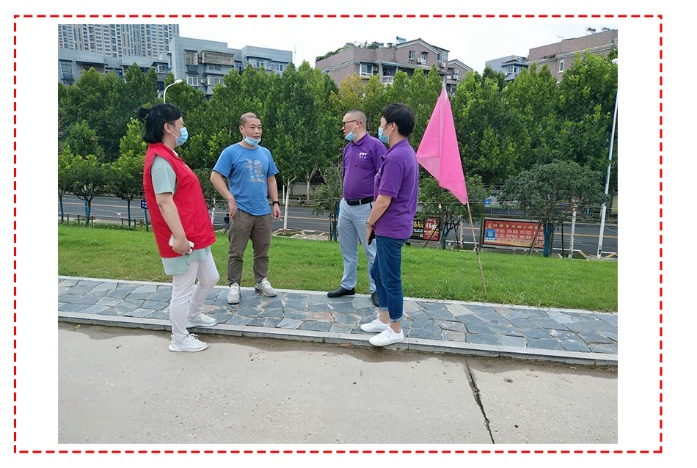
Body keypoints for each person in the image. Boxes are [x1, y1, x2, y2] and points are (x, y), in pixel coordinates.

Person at [140, 103, 219, 353]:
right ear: (168, 127)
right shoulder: (160, 161)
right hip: (183, 236)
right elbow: (164, 202)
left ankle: (193, 315)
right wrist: (180, 237)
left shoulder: (170, 155)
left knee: (210, 277)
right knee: (182, 289)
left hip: (194, 232)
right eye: (181, 125)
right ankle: (179, 338)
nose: (184, 129)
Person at [360, 103, 419, 347]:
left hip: (391, 226)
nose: (380, 127)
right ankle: (384, 319)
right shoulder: (401, 152)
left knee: (390, 278)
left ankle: (395, 328)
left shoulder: (396, 157)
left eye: (382, 123)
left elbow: (384, 200)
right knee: (377, 272)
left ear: (392, 126)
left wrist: (369, 223)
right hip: (391, 225)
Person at [210, 112, 282, 305]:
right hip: (241, 211)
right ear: (242, 129)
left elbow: (271, 178)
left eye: (259, 127)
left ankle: (261, 280)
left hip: (263, 211)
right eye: (252, 127)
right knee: (236, 252)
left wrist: (275, 202)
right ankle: (234, 285)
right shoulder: (231, 152)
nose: (257, 131)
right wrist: (230, 198)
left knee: (262, 251)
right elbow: (215, 177)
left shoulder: (265, 153)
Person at [327, 110, 385, 307]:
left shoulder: (375, 146)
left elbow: (383, 177)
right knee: (347, 249)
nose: (342, 128)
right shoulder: (348, 148)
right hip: (346, 206)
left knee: (372, 251)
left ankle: (376, 289)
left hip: (366, 207)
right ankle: (348, 285)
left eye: (345, 123)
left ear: (357, 123)